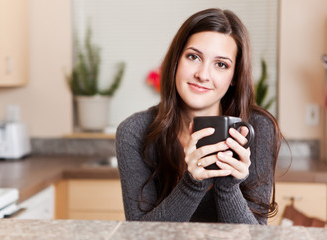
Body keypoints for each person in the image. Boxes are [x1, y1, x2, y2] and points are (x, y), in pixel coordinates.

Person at [116, 8, 282, 225]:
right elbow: (140, 234)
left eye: (221, 64)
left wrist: (228, 186)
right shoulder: (134, 131)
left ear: (234, 76)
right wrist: (193, 183)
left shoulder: (258, 128)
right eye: (193, 57)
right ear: (176, 61)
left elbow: (254, 235)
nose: (203, 75)